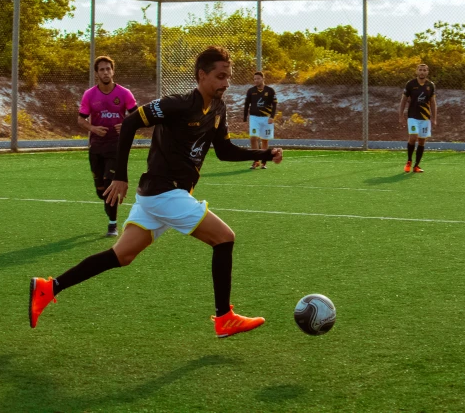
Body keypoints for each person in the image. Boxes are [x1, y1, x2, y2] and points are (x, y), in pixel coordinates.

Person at [29, 46, 283, 338]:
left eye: (229, 77)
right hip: (166, 192)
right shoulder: (178, 104)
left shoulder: (217, 108)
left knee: (121, 255)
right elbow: (130, 122)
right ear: (202, 75)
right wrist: (120, 176)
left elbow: (224, 151)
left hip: (159, 196)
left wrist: (263, 155)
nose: (226, 83)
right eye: (220, 76)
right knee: (224, 239)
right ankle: (224, 317)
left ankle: (49, 288)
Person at [77, 56, 138, 237]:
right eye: (101, 69)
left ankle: (113, 225)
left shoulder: (124, 93)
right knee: (101, 191)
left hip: (116, 147)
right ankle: (108, 208)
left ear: (113, 71)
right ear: (97, 74)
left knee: (109, 185)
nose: (105, 72)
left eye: (108, 69)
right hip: (96, 148)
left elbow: (138, 116)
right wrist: (92, 128)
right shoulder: (89, 95)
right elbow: (81, 119)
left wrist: (126, 124)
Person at [399, 63, 437, 173]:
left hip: (425, 118)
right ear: (417, 71)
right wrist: (401, 115)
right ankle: (409, 161)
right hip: (413, 117)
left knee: (421, 141)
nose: (422, 72)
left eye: (424, 70)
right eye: (420, 70)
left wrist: (434, 118)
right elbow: (403, 100)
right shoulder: (410, 84)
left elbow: (433, 102)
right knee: (413, 137)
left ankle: (416, 166)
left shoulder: (431, 85)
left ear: (427, 72)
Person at [243, 71, 278, 169]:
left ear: (263, 79)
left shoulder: (270, 90)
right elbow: (246, 104)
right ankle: (256, 160)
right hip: (254, 118)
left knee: (264, 140)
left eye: (258, 78)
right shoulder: (251, 91)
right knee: (253, 138)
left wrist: (272, 117)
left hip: (266, 119)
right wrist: (245, 117)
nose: (256, 81)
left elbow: (274, 105)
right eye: (254, 79)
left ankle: (264, 161)